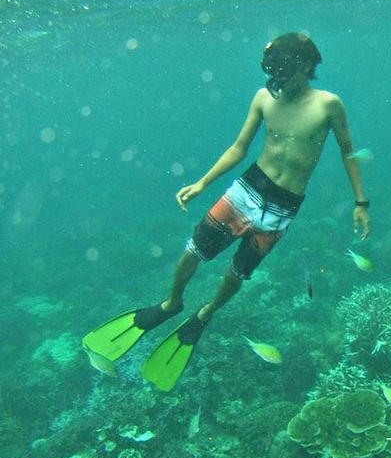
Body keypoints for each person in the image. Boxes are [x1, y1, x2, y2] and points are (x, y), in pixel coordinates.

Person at [82, 33, 371, 391]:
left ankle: (207, 312)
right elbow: (239, 147)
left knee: (239, 272)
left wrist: (361, 203)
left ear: (308, 67)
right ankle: (172, 303)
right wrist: (202, 182)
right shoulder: (265, 98)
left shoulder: (329, 105)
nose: (279, 81)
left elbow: (348, 152)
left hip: (283, 208)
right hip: (248, 189)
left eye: (287, 72)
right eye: (275, 73)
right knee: (194, 249)